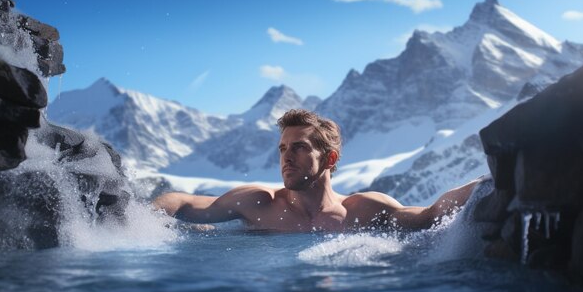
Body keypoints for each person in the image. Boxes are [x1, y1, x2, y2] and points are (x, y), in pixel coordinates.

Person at [154, 109, 481, 232]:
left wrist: (486, 183)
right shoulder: (259, 203)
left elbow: (428, 215)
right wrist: (140, 215)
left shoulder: (361, 210)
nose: (286, 157)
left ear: (330, 159)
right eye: (282, 148)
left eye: (299, 147)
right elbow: (182, 203)